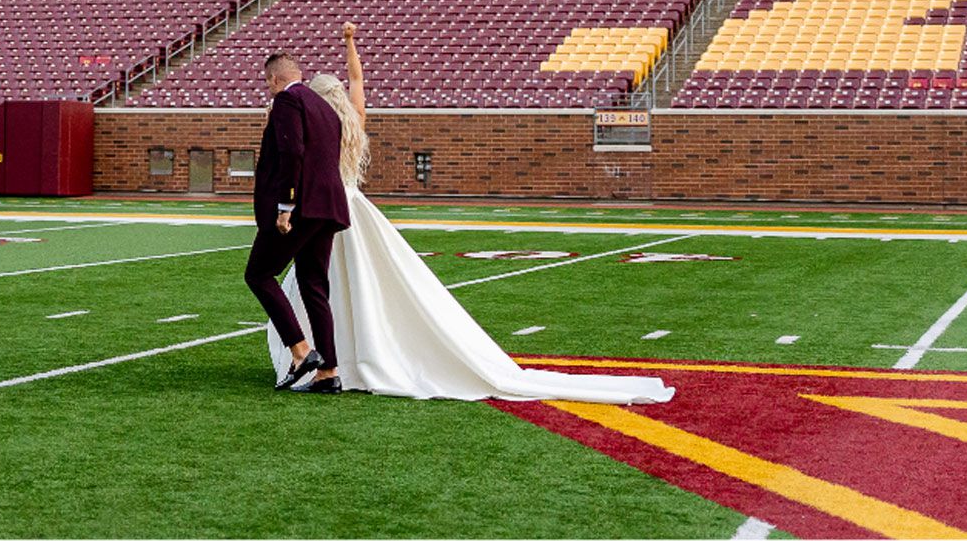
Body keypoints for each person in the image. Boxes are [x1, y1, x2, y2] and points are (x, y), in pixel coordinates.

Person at [262, 23, 676, 404]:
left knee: (319, 286)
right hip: (348, 208)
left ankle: (321, 358)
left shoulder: (307, 117)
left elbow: (296, 154)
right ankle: (338, 363)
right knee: (356, 292)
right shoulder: (346, 120)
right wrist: (350, 43)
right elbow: (357, 80)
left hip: (317, 208)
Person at [244, 52, 352, 393]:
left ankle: (301, 351)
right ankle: (328, 372)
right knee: (314, 286)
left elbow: (293, 153)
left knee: (258, 274)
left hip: (301, 207)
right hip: (328, 207)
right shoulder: (326, 108)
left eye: (267, 83)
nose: (269, 90)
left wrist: (285, 205)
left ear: (275, 79)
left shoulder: (287, 100)